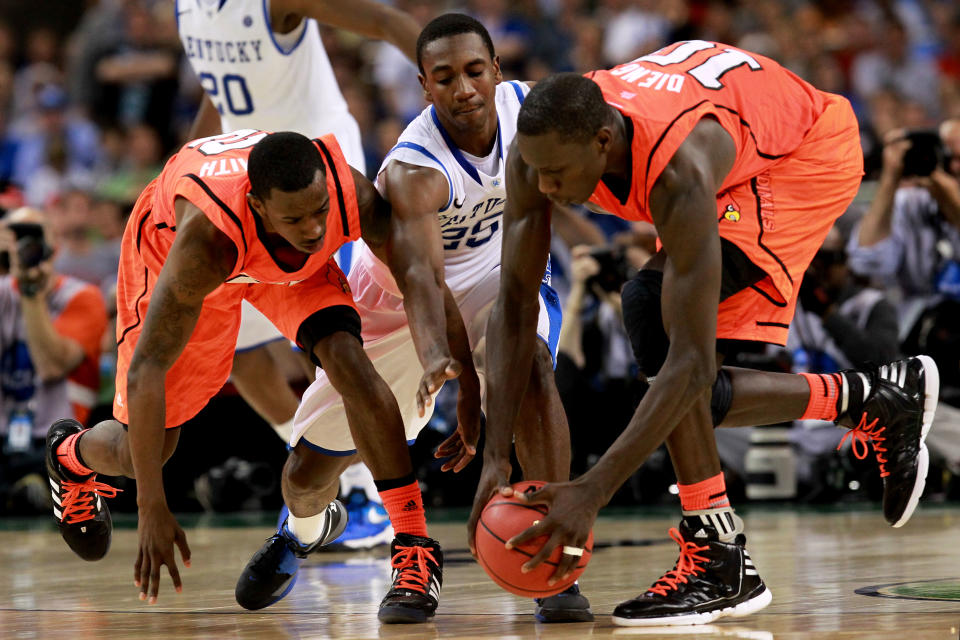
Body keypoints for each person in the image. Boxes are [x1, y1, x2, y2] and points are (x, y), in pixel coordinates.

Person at [472, 40, 939, 627]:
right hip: (728, 124)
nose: (542, 187)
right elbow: (513, 305)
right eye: (534, 169)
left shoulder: (678, 169)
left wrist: (591, 491)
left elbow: (690, 366)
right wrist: (495, 457)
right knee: (677, 374)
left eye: (556, 173)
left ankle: (719, 559)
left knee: (659, 326)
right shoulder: (538, 149)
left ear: (602, 143)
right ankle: (872, 398)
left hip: (801, 154)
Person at [237, 14, 592, 624]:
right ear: (425, 86)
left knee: (531, 364)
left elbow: (560, 183)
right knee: (305, 474)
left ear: (497, 71)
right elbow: (423, 282)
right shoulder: (414, 170)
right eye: (446, 77)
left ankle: (552, 546)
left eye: (475, 70)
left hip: (497, 279)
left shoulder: (528, 112)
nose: (464, 89)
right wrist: (454, 375)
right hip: (398, 303)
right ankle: (303, 528)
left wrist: (600, 242)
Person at [44, 130, 447, 623]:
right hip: (174, 248)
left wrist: (447, 360)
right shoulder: (203, 247)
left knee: (352, 362)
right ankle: (70, 455)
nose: (315, 230)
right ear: (258, 206)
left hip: (271, 255)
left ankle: (412, 542)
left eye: (319, 211)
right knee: (143, 452)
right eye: (296, 219)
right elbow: (147, 369)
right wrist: (152, 506)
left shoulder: (344, 194)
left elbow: (419, 275)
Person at [177, 0, 422, 550]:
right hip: (251, 185)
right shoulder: (188, 8)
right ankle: (338, 472)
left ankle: (373, 490)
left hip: (318, 179)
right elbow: (222, 96)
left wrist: (446, 82)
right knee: (239, 354)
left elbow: (387, 23)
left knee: (332, 339)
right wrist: (186, 167)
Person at [0, 206, 106, 509]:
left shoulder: (81, 296)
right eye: (15, 235)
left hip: (58, 441)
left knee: (48, 470)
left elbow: (51, 366)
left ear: (54, 247)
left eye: (33, 236)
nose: (23, 245)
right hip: (4, 436)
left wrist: (30, 292)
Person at [846, 119, 960, 392]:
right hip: (920, 341)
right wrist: (890, 178)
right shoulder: (911, 203)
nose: (954, 166)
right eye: (948, 157)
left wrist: (952, 201)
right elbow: (865, 263)